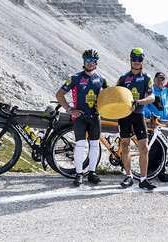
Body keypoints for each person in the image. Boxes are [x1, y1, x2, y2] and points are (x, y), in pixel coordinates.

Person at [55, 49, 109, 187]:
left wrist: (103, 107)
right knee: (79, 145)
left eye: (93, 60)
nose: (90, 63)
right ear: (84, 62)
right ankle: (79, 174)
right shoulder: (75, 77)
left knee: (94, 145)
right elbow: (60, 94)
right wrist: (69, 110)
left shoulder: (101, 79)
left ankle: (92, 172)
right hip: (80, 117)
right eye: (88, 60)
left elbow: (110, 96)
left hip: (95, 117)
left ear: (96, 62)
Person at [116, 47, 156, 189]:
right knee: (125, 146)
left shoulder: (147, 77)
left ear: (142, 61)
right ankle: (129, 176)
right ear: (131, 61)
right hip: (124, 115)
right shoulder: (123, 78)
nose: (137, 62)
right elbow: (115, 95)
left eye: (139, 60)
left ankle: (143, 179)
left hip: (139, 114)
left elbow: (152, 97)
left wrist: (138, 102)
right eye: (134, 60)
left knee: (144, 148)